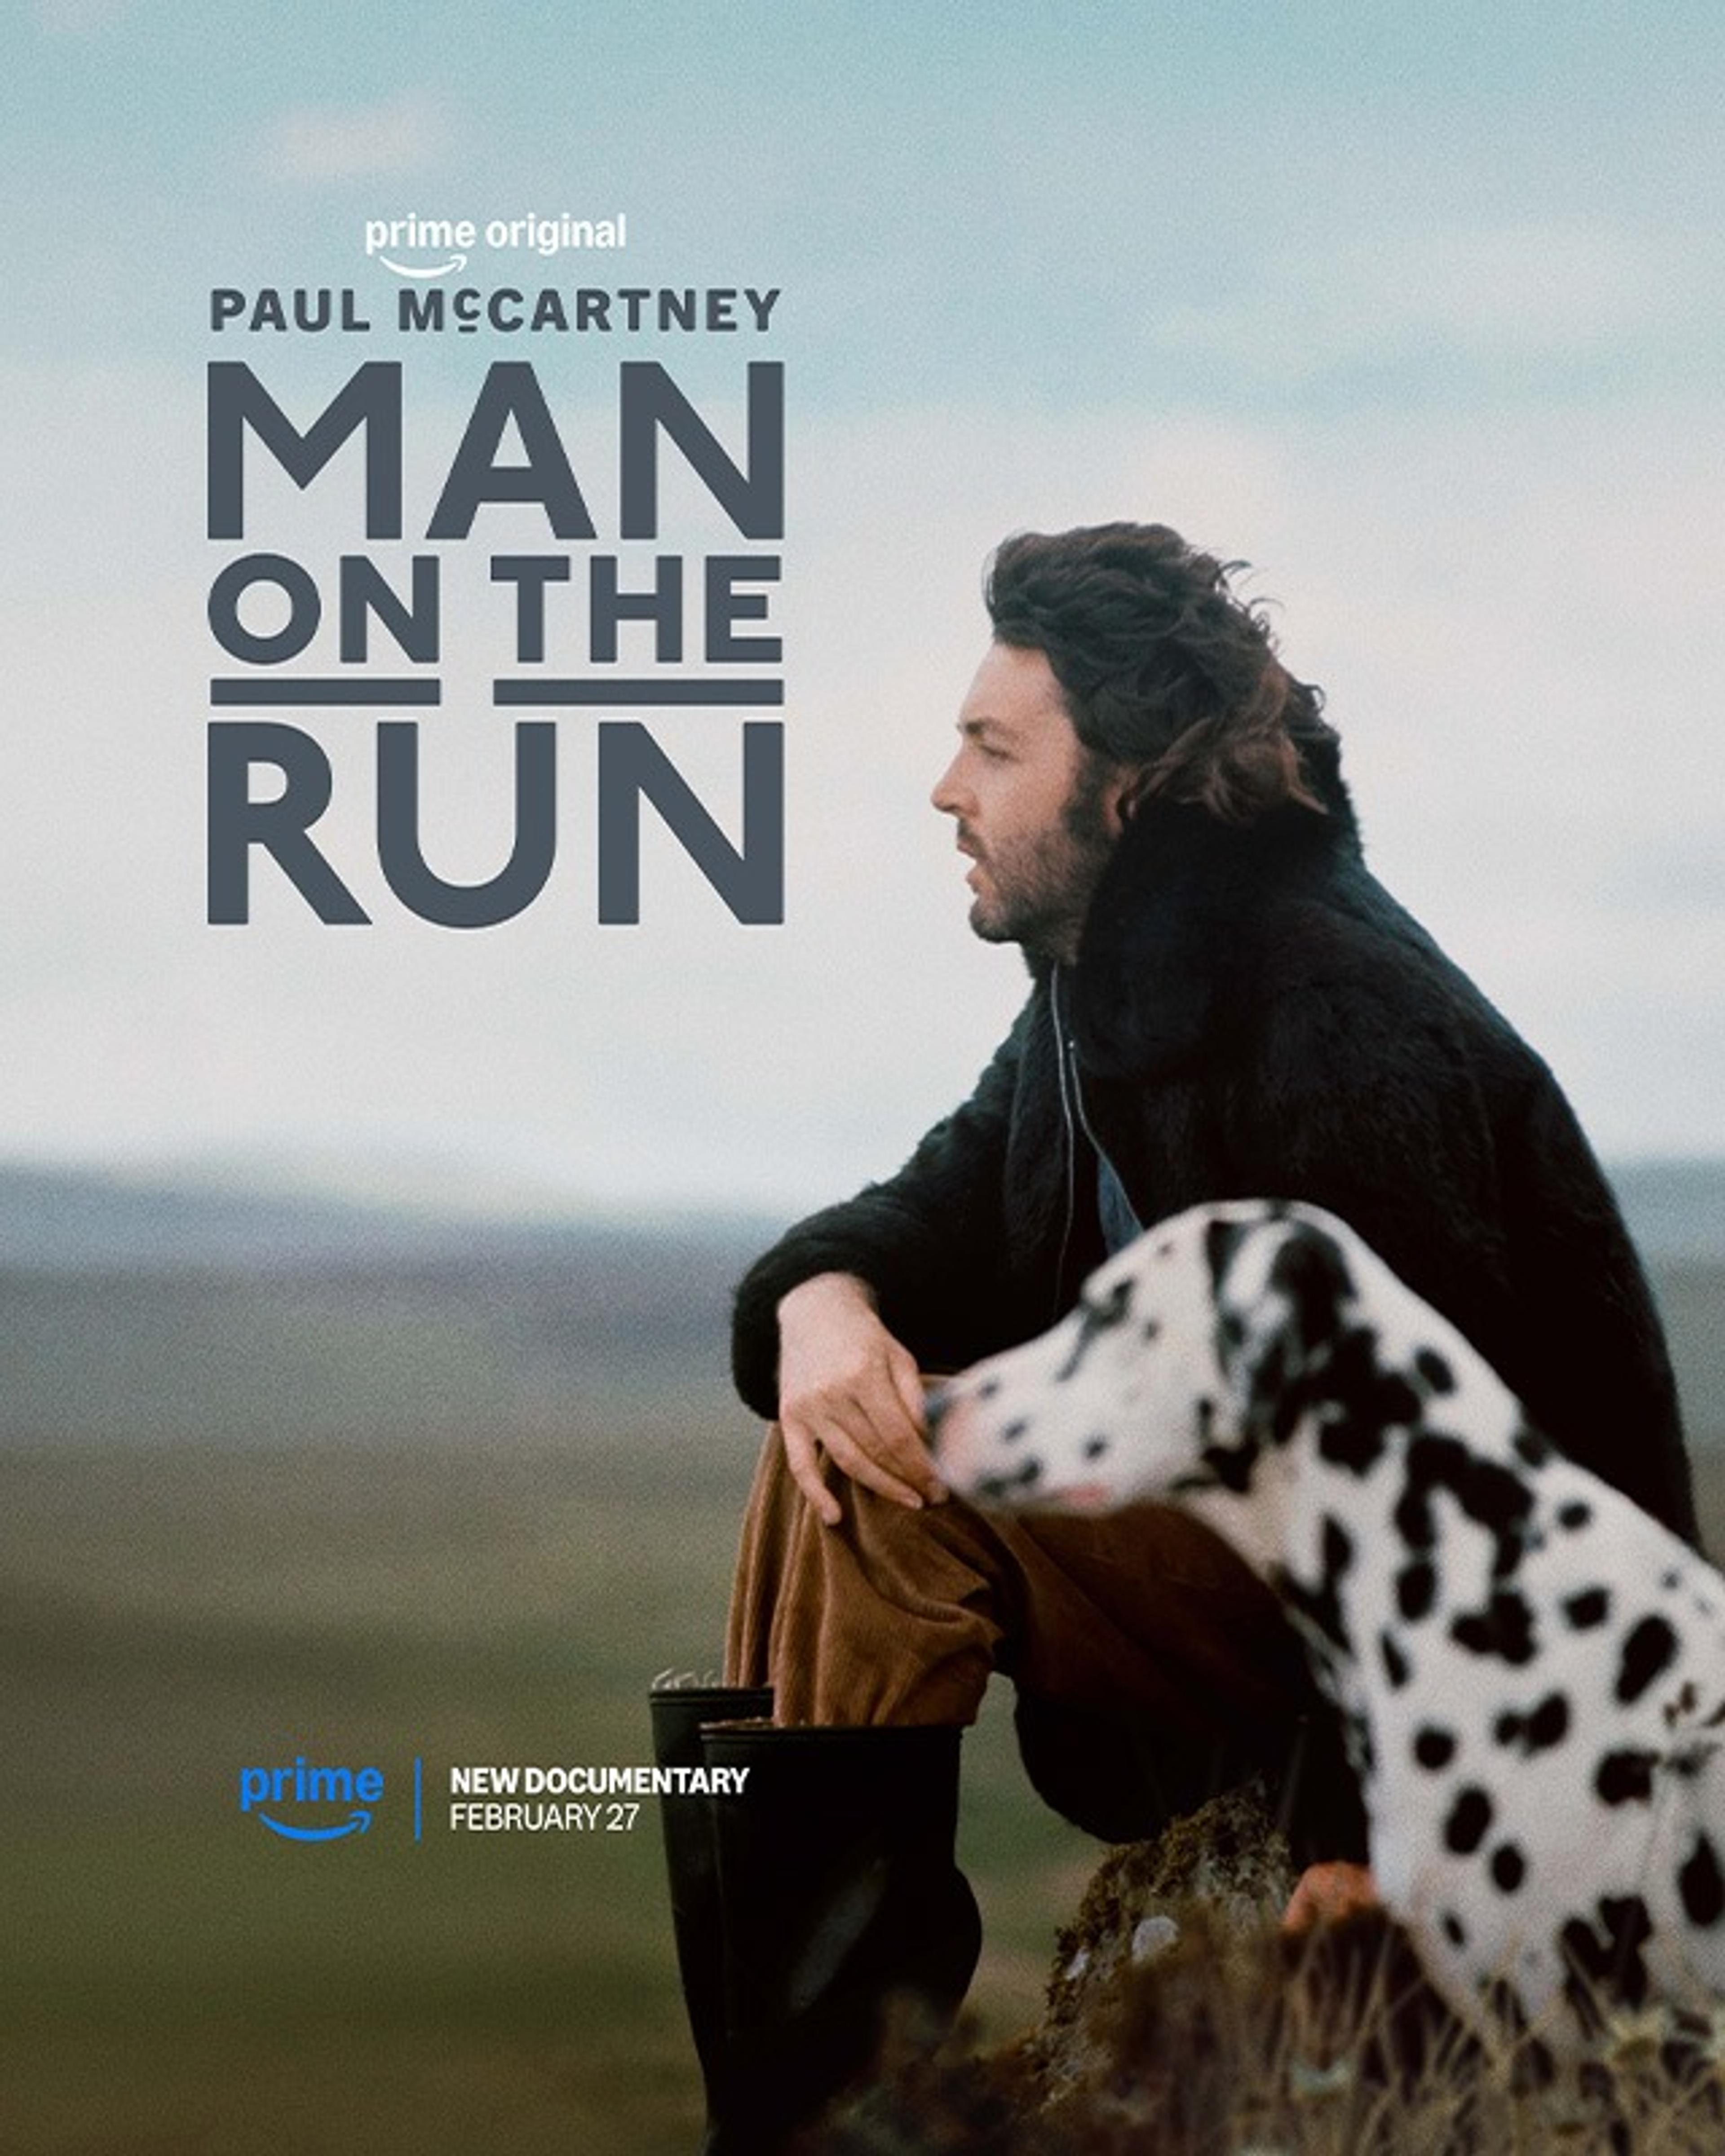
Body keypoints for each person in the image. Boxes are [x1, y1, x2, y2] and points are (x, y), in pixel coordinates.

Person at [652, 521, 1695, 2153]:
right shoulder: (1104, 992)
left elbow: (1446, 1474)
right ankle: (814, 2112)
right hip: (1281, 1607)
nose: (946, 790)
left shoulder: (1330, 1009)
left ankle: (833, 2119)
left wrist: (1366, 1846)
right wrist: (819, 1312)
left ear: (1125, 785)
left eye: (994, 748)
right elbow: (916, 1225)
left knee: (885, 1496)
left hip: (1516, 1697)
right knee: (844, 1450)